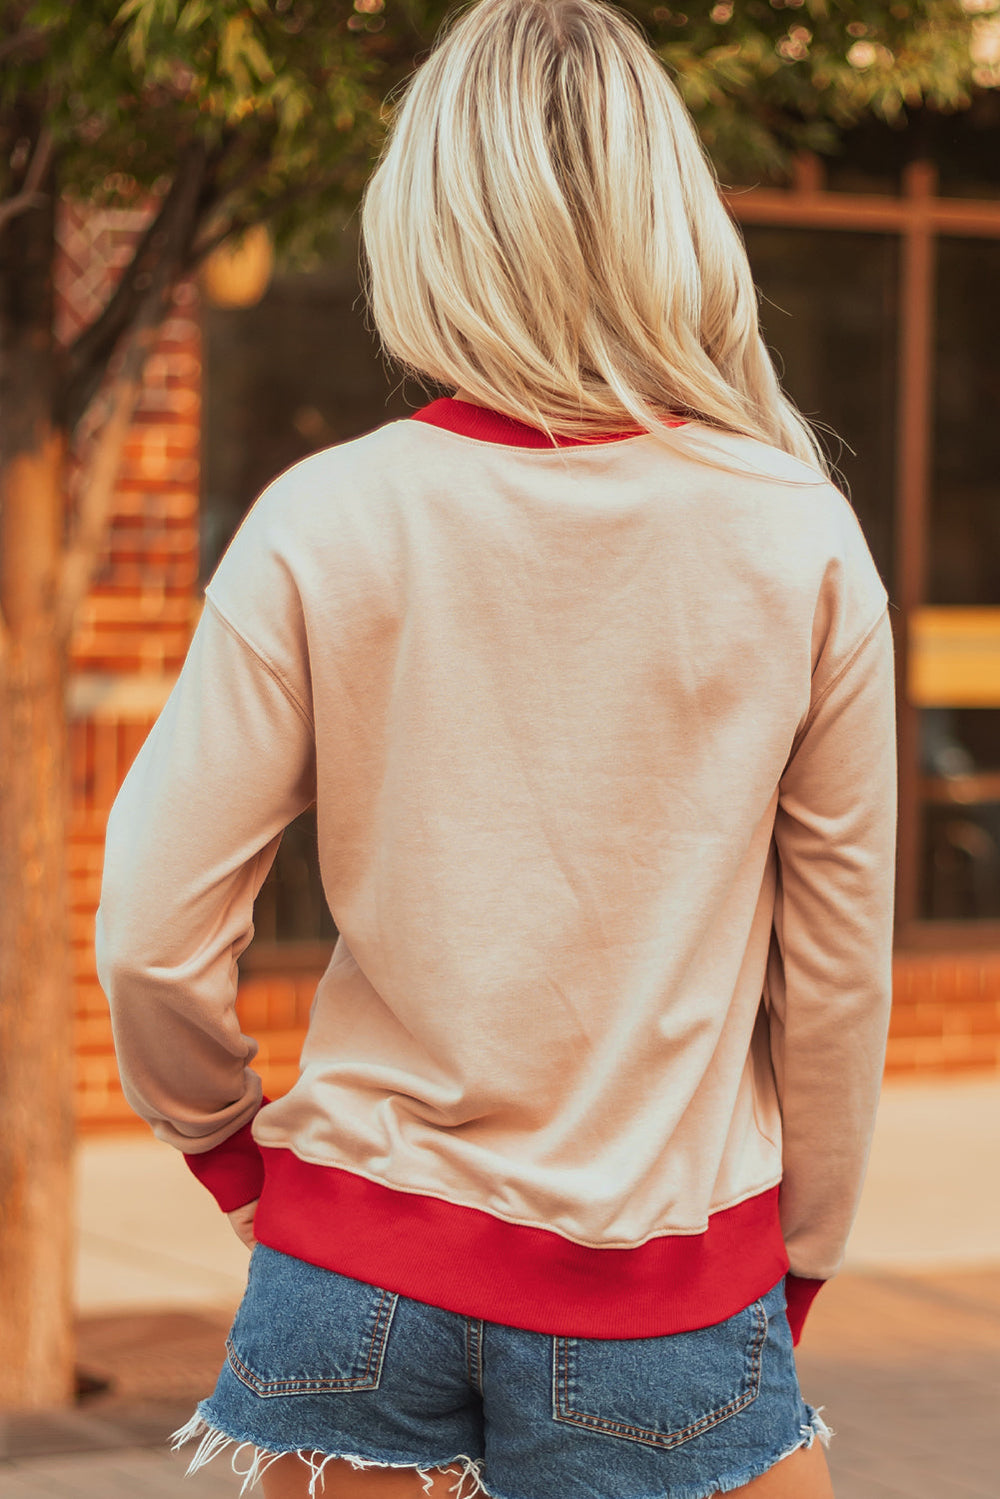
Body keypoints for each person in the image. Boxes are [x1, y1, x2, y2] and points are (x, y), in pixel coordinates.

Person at [94, 1, 897, 1496]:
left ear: (429, 222)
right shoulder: (800, 538)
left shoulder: (326, 517)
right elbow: (839, 980)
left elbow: (147, 933)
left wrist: (237, 1164)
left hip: (349, 1272)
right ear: (672, 215)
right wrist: (798, 1268)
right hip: (664, 1277)